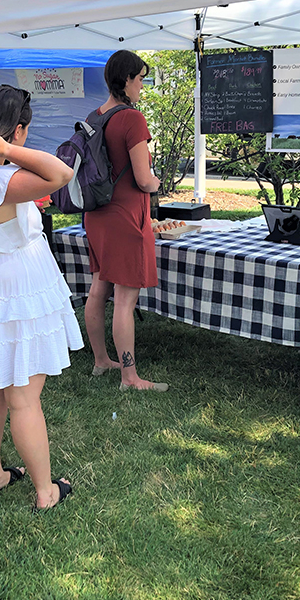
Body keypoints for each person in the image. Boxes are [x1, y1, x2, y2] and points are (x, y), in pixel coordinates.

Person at [0, 85, 82, 510]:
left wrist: (0, 148)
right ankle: (45, 491)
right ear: (19, 130)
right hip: (18, 284)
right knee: (23, 397)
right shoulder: (5, 179)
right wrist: (8, 149)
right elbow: (61, 174)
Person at [83, 50, 167, 392]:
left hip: (96, 214)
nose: (142, 86)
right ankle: (129, 377)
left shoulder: (94, 115)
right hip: (125, 216)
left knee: (98, 287)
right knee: (124, 299)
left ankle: (102, 360)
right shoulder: (132, 119)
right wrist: (158, 182)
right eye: (141, 79)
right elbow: (144, 179)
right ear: (127, 80)